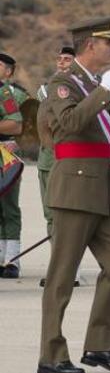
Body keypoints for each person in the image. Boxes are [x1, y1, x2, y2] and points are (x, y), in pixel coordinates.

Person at [38, 16, 110, 373]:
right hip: (75, 187)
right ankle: (51, 354)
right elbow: (69, 125)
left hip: (102, 186)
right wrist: (106, 91)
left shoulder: (92, 83)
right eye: (108, 42)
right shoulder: (63, 82)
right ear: (91, 45)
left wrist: (103, 89)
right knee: (62, 276)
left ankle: (100, 345)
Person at [37, 46, 82, 288]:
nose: (62, 62)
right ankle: (58, 268)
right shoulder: (45, 89)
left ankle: (70, 271)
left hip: (69, 160)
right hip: (47, 159)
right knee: (51, 216)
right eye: (60, 58)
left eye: (68, 59)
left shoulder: (81, 89)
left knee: (68, 216)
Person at [0, 52, 26, 277]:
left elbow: (25, 124)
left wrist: (17, 143)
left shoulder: (9, 93)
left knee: (9, 206)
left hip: (4, 155)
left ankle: (12, 260)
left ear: (8, 72)